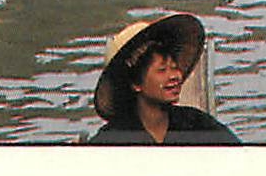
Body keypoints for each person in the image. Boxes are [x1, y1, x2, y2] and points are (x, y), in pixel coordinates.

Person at [88, 13, 239, 145]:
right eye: (162, 70)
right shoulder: (111, 140)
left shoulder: (196, 125)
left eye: (174, 68)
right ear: (136, 83)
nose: (176, 76)